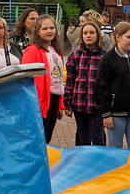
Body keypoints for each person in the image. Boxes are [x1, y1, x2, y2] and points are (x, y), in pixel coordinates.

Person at [94, 21, 130, 150]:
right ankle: (115, 170)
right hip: (116, 113)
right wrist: (106, 114)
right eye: (129, 37)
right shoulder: (108, 60)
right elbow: (101, 88)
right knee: (115, 148)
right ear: (118, 37)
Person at [21, 15, 66, 143]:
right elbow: (25, 79)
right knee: (38, 138)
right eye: (45, 28)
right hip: (39, 101)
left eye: (52, 28)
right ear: (37, 31)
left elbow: (59, 79)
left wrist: (60, 105)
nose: (49, 31)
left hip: (54, 99)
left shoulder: (56, 50)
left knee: (47, 137)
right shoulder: (32, 51)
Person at [64, 18, 106, 147]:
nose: (88, 35)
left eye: (92, 33)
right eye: (85, 33)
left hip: (97, 105)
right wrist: (67, 102)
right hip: (79, 103)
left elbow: (108, 83)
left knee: (98, 137)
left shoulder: (104, 57)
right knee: (82, 137)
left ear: (97, 35)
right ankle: (81, 163)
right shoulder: (75, 56)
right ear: (81, 36)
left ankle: (100, 163)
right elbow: (70, 80)